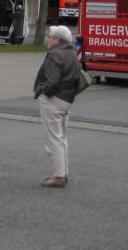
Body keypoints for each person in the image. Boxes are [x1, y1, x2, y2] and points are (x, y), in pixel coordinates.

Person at [33, 25, 80, 188]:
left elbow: (52, 81)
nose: (48, 39)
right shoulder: (72, 54)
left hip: (53, 100)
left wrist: (42, 90)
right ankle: (63, 172)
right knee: (62, 138)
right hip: (67, 99)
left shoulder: (54, 55)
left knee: (52, 139)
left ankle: (58, 176)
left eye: (50, 37)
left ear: (57, 40)